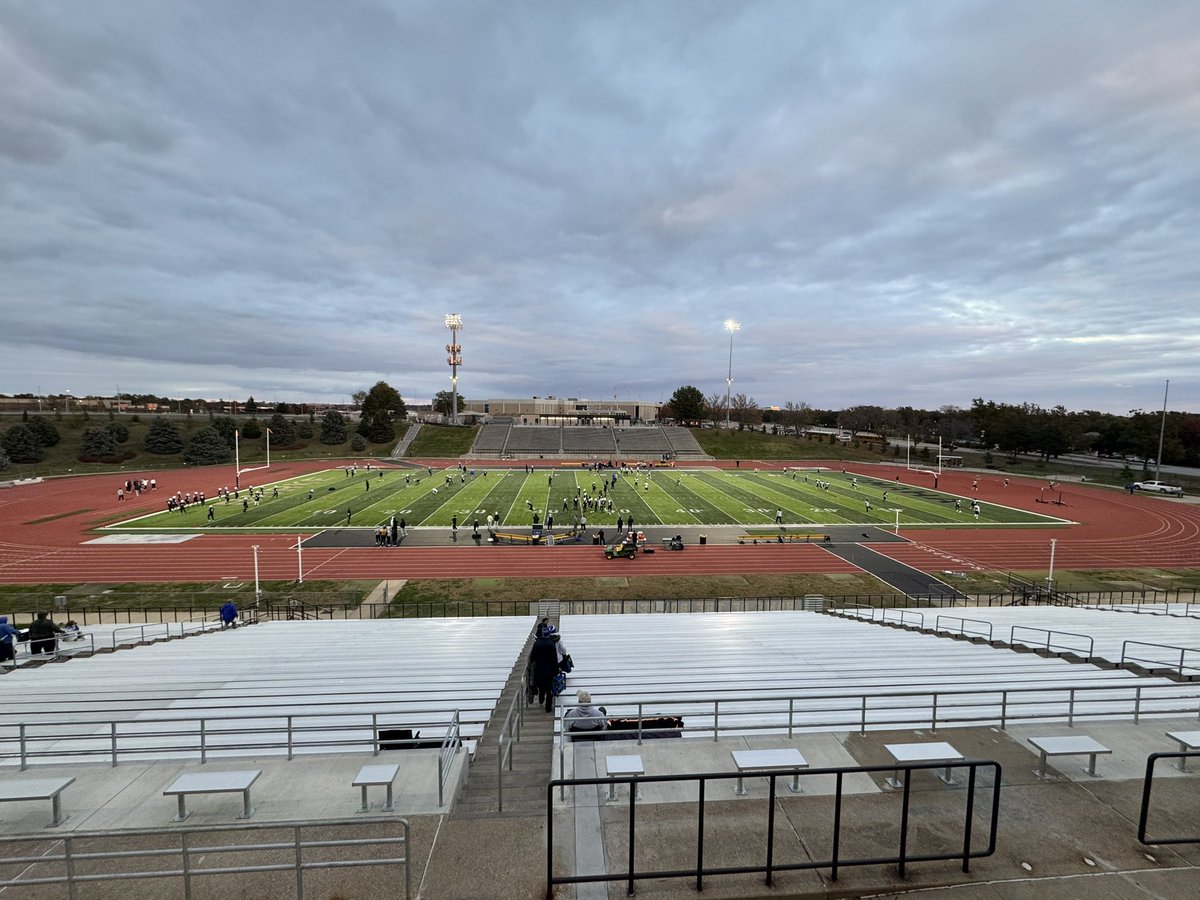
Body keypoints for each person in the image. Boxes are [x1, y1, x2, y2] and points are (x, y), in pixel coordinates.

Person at [528, 627, 560, 712]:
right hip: (549, 669)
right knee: (549, 689)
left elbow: (532, 657)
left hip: (539, 668)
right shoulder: (551, 643)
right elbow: (554, 658)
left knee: (542, 687)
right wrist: (556, 670)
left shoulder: (537, 643)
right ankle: (548, 707)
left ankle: (541, 700)